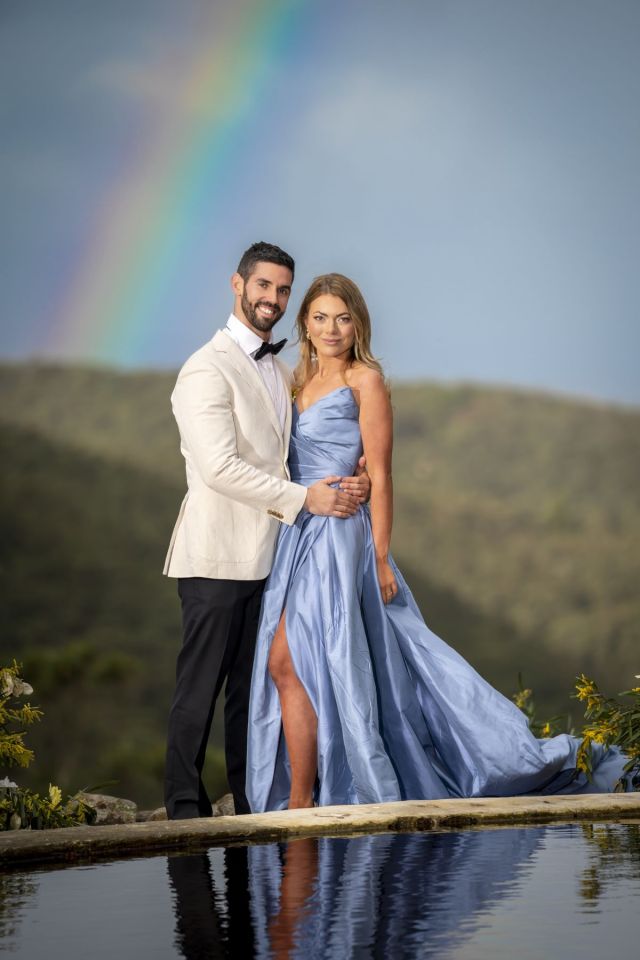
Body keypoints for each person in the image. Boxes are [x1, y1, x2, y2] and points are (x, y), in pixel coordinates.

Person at [246, 273, 630, 811]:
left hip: (339, 540)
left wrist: (379, 557)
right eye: (320, 317)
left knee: (299, 659)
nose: (332, 328)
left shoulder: (366, 380)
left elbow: (379, 472)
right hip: (296, 535)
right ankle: (308, 792)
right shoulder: (292, 382)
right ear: (305, 325)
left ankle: (305, 799)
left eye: (343, 317)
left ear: (358, 324)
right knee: (300, 663)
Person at [163, 244, 369, 819]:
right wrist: (307, 499)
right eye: (264, 287)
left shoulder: (281, 371)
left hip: (275, 558)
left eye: (283, 290)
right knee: (198, 690)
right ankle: (182, 806)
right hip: (217, 557)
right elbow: (219, 468)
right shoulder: (205, 367)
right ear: (237, 284)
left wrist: (359, 475)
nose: (272, 300)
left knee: (246, 697)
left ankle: (250, 798)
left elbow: (298, 451)